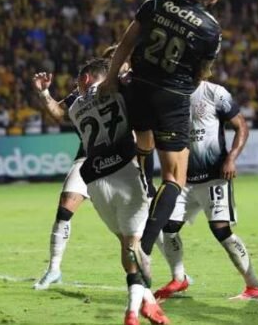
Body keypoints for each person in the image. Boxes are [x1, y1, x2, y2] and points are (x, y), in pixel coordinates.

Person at [102, 0, 230, 281]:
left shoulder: (158, 2)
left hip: (138, 86)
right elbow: (201, 73)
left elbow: (127, 42)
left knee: (143, 140)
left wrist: (110, 78)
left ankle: (143, 193)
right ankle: (143, 246)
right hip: (171, 98)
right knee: (175, 177)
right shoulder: (210, 29)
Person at [31, 46, 155, 290]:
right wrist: (45, 93)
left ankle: (173, 273)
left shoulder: (128, 85)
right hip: (89, 157)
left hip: (126, 158)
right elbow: (60, 113)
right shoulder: (83, 95)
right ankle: (54, 269)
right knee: (66, 205)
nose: (116, 65)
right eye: (111, 61)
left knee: (141, 221)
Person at [65, 59, 168, 325]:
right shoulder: (117, 89)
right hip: (126, 171)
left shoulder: (75, 108)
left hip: (96, 181)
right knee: (135, 245)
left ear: (86, 79)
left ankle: (149, 302)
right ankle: (133, 312)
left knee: (126, 244)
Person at [154, 81, 258, 301]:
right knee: (168, 227)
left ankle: (254, 286)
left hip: (214, 177)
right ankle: (179, 278)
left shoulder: (214, 93)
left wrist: (231, 159)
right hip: (182, 178)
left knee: (221, 231)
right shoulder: (171, 91)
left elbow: (241, 126)